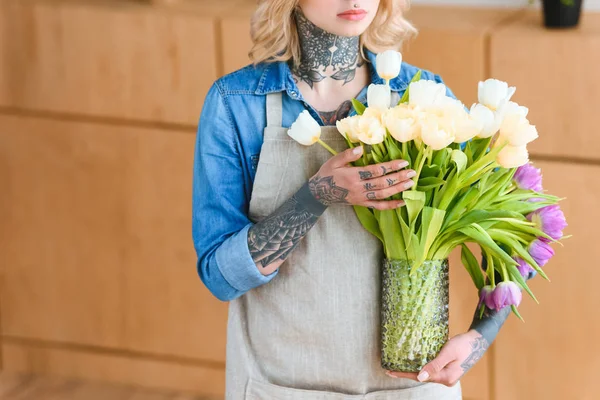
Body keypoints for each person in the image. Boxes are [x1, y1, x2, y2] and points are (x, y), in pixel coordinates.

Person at [192, 1, 512, 398]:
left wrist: (479, 337)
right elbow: (220, 277)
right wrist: (316, 195)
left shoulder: (423, 100)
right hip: (277, 385)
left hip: (411, 389)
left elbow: (516, 229)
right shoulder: (236, 104)